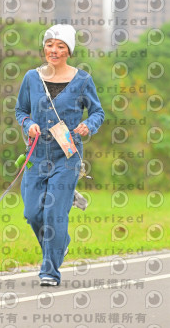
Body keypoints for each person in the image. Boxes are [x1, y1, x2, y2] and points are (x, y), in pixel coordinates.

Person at [15, 24, 105, 286]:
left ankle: (49, 271)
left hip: (67, 156)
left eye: (60, 46)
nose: (53, 50)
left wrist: (89, 125)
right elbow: (21, 110)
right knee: (33, 213)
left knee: (54, 214)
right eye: (49, 44)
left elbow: (97, 112)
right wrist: (28, 124)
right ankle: (60, 243)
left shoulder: (82, 80)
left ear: (69, 51)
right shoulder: (31, 78)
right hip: (36, 155)